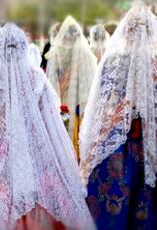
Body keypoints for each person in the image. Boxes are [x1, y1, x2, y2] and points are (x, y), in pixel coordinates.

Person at [0, 23, 94, 230]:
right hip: (33, 152)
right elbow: (50, 120)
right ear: (23, 47)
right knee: (40, 196)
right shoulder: (36, 78)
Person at [80, 4, 157, 229]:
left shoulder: (113, 60)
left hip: (117, 138)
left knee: (114, 197)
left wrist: (93, 144)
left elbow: (101, 105)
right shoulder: (153, 63)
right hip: (145, 139)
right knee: (144, 199)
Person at [46, 16, 97, 159]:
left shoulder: (56, 53)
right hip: (76, 105)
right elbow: (90, 86)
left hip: (60, 101)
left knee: (61, 136)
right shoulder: (85, 54)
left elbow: (51, 84)